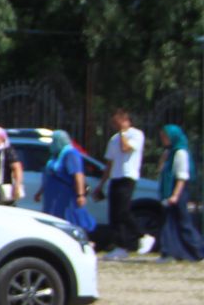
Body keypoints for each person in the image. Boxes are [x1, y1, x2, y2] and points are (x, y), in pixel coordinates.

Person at [103, 108, 148, 258]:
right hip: (115, 177)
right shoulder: (114, 139)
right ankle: (121, 246)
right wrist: (102, 183)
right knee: (114, 214)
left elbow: (126, 148)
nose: (115, 125)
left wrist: (123, 132)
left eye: (117, 122)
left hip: (128, 176)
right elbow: (109, 162)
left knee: (123, 211)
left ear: (125, 120)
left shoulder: (136, 135)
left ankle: (143, 235)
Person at [156, 125, 203, 261]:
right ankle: (170, 252)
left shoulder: (180, 153)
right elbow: (161, 170)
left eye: (165, 136)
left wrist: (175, 195)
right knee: (169, 222)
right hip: (170, 192)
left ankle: (198, 250)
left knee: (184, 223)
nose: (163, 139)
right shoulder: (170, 153)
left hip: (178, 192)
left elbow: (182, 176)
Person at [39, 131, 95, 231]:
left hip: (65, 197)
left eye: (54, 140)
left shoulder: (71, 154)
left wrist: (80, 195)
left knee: (68, 221)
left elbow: (78, 175)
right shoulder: (55, 155)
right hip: (53, 197)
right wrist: (40, 192)